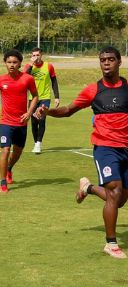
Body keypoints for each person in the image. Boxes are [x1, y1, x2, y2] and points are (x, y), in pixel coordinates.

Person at [35, 47, 128, 259]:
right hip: (105, 148)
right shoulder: (93, 90)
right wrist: (48, 111)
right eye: (103, 60)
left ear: (119, 62)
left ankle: (88, 188)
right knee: (114, 192)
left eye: (111, 59)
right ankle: (111, 244)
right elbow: (68, 110)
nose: (106, 63)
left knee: (120, 200)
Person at [0, 49, 39, 193]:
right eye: (9, 62)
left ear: (20, 64)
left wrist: (29, 112)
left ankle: (9, 168)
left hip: (21, 122)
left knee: (17, 152)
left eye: (15, 62)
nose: (12, 65)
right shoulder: (0, 80)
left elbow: (35, 96)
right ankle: (3, 183)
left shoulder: (28, 79)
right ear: (5, 63)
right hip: (6, 122)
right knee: (5, 151)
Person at [23, 47, 60, 154]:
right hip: (32, 98)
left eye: (37, 55)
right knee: (34, 122)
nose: (36, 57)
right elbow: (24, 78)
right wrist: (31, 64)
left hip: (45, 97)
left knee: (42, 119)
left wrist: (57, 97)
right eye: (33, 55)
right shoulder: (28, 66)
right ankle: (36, 143)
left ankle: (39, 143)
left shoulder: (49, 66)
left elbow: (54, 81)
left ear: (41, 55)